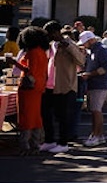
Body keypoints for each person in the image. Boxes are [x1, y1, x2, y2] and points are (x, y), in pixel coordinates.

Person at [42, 21, 84, 153]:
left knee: (62, 116)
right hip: (50, 85)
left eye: (49, 33)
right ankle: (49, 140)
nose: (48, 36)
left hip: (65, 85)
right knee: (46, 113)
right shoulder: (52, 45)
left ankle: (63, 142)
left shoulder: (69, 43)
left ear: (56, 32)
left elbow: (81, 61)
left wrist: (69, 47)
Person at [13, 26, 50, 155]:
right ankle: (36, 143)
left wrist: (15, 63)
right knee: (35, 116)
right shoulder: (42, 52)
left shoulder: (32, 52)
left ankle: (25, 145)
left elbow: (30, 71)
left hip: (28, 88)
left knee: (25, 115)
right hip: (39, 86)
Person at [78, 30, 107, 147]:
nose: (83, 45)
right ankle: (98, 135)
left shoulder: (101, 50)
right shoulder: (94, 50)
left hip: (99, 84)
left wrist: (89, 74)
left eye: (85, 42)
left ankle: (96, 135)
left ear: (91, 40)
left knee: (96, 110)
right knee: (95, 110)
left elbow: (105, 68)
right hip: (95, 84)